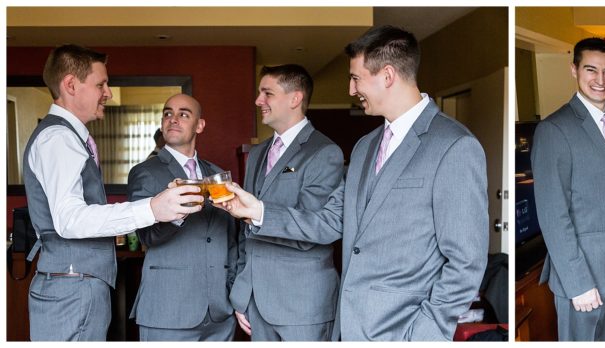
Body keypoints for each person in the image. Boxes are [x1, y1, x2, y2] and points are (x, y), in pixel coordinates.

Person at [216, 25, 488, 341]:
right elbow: (330, 221)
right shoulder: (364, 147)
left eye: (356, 78)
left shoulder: (454, 146)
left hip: (406, 331)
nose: (350, 89)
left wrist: (425, 332)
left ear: (387, 76)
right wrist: (258, 210)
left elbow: (466, 262)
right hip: (349, 327)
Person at [23, 44, 201, 341]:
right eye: (100, 84)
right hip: (72, 289)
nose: (108, 92)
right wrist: (152, 209)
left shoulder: (69, 137)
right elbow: (70, 220)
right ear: (70, 85)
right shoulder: (59, 139)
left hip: (75, 284)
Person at [531, 37, 605, 341]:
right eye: (591, 70)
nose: (600, 80)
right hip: (583, 274)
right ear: (574, 70)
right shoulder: (554, 129)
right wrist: (577, 281)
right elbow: (552, 213)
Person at [227, 64, 345, 341]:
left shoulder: (324, 152)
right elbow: (247, 232)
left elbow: (319, 228)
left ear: (295, 98)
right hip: (255, 304)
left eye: (267, 93)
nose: (258, 101)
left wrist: (259, 213)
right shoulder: (257, 154)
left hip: (303, 306)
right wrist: (242, 293)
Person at [127, 94, 238, 341]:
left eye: (183, 114)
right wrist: (179, 211)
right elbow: (147, 237)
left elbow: (231, 241)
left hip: (220, 313)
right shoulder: (145, 172)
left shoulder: (218, 174)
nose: (173, 119)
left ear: (199, 125)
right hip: (169, 311)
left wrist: (232, 293)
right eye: (168, 113)